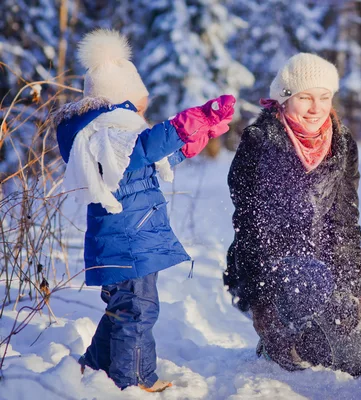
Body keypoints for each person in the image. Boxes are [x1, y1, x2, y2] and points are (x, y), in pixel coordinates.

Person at [52, 29, 235, 392]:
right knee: (138, 310)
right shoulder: (106, 131)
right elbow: (144, 148)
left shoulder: (108, 139)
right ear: (121, 101)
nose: (142, 115)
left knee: (123, 308)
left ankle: (96, 365)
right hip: (128, 241)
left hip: (125, 240)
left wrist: (192, 140)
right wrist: (188, 122)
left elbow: (144, 161)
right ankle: (133, 380)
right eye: (139, 106)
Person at [223, 53, 361, 377]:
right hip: (274, 266)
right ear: (285, 99)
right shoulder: (259, 142)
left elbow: (345, 219)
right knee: (299, 356)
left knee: (352, 362)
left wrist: (354, 287)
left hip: (326, 261)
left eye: (324, 97)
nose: (316, 108)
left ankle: (314, 329)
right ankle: (277, 338)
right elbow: (250, 226)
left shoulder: (342, 143)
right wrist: (260, 298)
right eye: (305, 97)